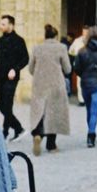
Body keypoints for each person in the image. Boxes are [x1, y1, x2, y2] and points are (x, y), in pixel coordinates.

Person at [27, 24, 73, 154]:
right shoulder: (61, 48)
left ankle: (38, 135)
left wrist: (39, 74)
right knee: (54, 114)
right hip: (56, 85)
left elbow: (30, 68)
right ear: (56, 36)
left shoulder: (37, 48)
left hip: (39, 84)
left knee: (40, 112)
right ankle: (51, 145)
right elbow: (68, 68)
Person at [0, 15, 28, 139]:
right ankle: (19, 128)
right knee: (1, 106)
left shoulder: (19, 40)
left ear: (11, 25)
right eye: (0, 23)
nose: (0, 26)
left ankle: (5, 132)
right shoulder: (0, 40)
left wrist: (15, 69)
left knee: (7, 105)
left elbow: (25, 59)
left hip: (11, 78)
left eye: (3, 24)